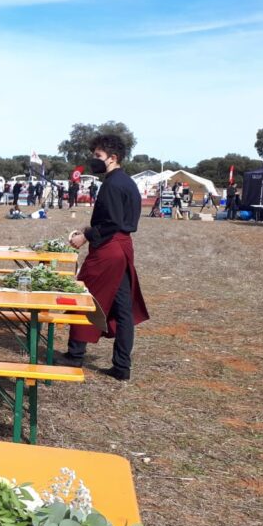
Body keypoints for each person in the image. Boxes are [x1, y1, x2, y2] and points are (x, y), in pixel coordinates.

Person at [59, 135, 149, 381]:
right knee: (122, 309)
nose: (94, 160)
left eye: (98, 156)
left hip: (109, 249)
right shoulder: (127, 182)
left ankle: (75, 355)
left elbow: (111, 223)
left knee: (85, 297)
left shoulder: (112, 184)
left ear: (113, 157)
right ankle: (122, 366)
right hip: (122, 247)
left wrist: (84, 236)